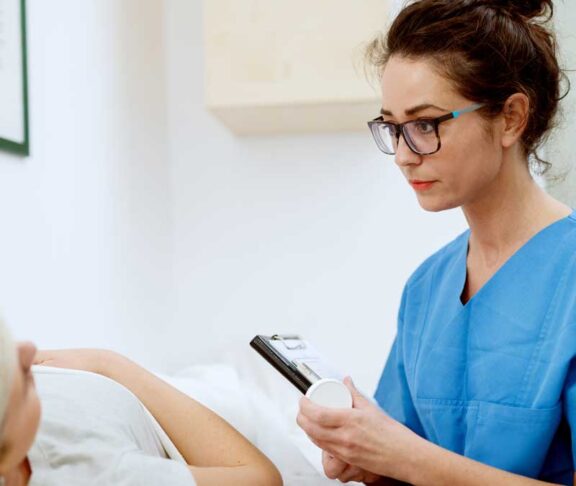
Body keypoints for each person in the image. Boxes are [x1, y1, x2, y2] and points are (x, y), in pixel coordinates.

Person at [297, 0, 576, 484]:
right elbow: (407, 455)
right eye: (392, 128)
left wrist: (402, 456)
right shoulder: (427, 288)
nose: (403, 156)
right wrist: (367, 458)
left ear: (511, 118)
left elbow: (414, 458)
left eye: (425, 125)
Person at [0, 318, 283, 486]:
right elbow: (261, 480)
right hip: (227, 418)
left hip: (172, 389)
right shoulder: (101, 474)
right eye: (12, 375)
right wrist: (106, 362)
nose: (25, 351)